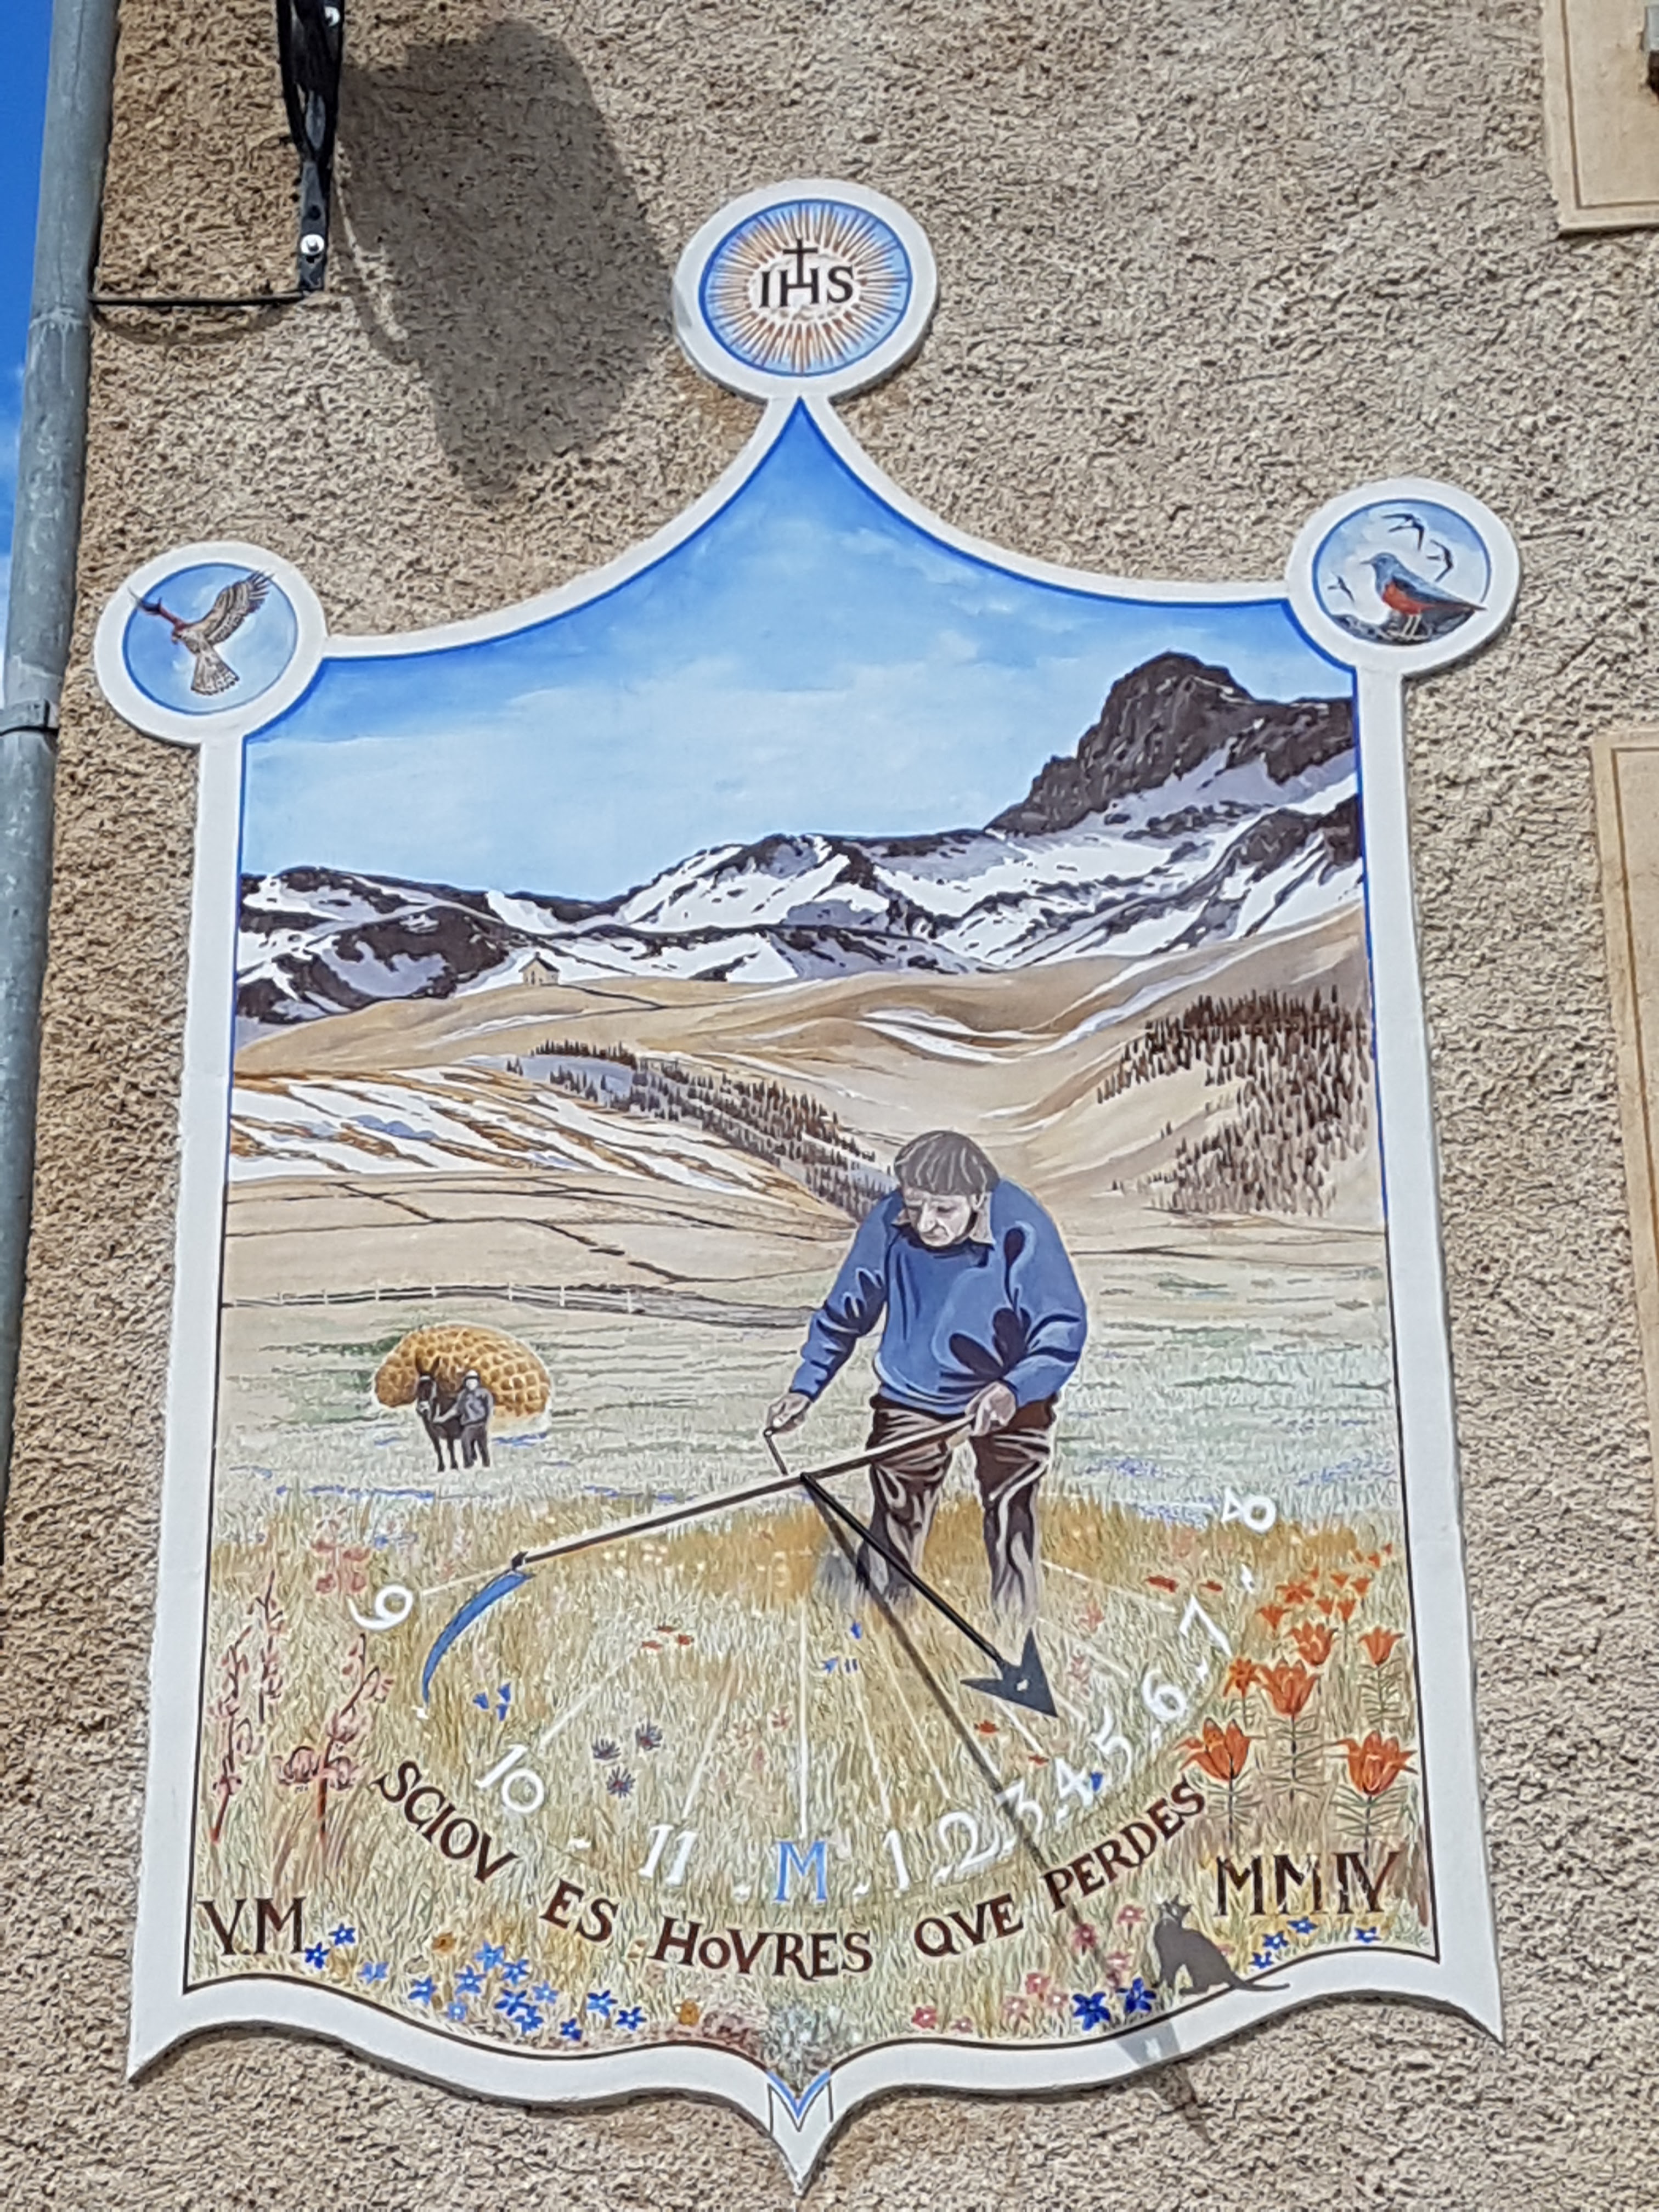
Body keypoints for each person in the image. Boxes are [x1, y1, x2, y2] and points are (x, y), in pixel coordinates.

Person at [766, 1130, 1087, 1626]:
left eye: (943, 1210)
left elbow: (1062, 1326)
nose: (925, 1223)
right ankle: (880, 1628)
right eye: (915, 1207)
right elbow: (844, 1314)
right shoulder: (890, 1220)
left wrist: (1015, 1388)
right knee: (895, 1514)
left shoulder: (1022, 1225)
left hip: (1011, 1391)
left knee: (1012, 1511)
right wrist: (804, 1389)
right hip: (913, 1394)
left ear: (978, 1199)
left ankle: (1016, 1630)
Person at [454, 1369, 495, 1469]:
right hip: (468, 1425)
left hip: (481, 1424)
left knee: (483, 1446)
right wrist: (441, 1418)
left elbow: (490, 1409)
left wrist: (487, 1423)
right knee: (465, 1442)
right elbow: (457, 1410)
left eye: (473, 1381)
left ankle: (486, 1464)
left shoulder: (484, 1393)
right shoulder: (462, 1395)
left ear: (477, 1382)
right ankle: (469, 1464)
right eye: (469, 1381)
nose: (471, 1383)